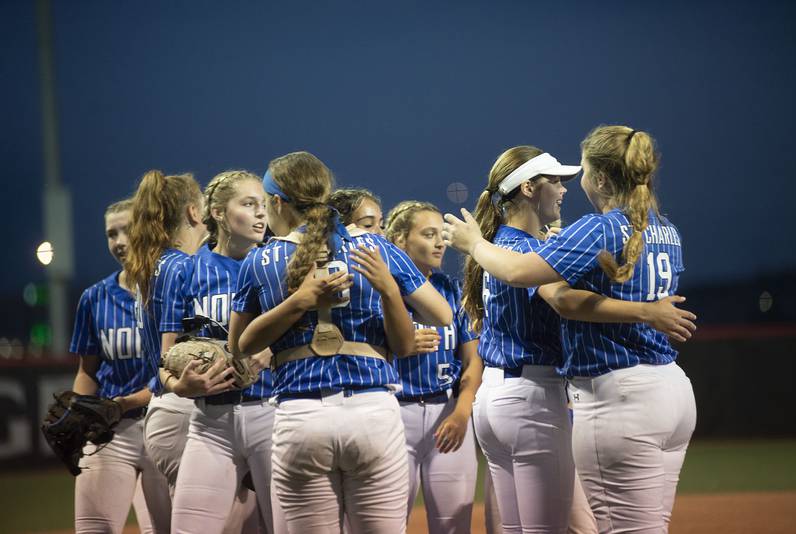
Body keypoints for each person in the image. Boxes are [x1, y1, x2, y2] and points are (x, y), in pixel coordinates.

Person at [444, 128, 697, 533]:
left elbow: (532, 280)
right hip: (622, 388)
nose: (565, 187)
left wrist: (475, 243)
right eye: (555, 180)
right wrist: (646, 311)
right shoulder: (666, 229)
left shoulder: (513, 241)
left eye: (570, 176)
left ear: (599, 179)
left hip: (523, 392)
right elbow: (558, 296)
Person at [228, 150, 453, 533]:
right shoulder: (374, 248)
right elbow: (441, 315)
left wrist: (298, 303)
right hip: (372, 413)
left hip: (301, 416)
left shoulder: (261, 260)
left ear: (278, 203)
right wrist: (389, 290)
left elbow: (239, 346)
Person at [170, 170, 283, 533]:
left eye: (263, 205)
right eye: (249, 204)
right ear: (218, 212)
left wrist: (273, 351)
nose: (261, 214)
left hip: (273, 414)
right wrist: (178, 386)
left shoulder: (278, 263)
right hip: (210, 421)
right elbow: (164, 360)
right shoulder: (186, 271)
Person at [127, 170, 235, 502]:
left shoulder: (157, 263)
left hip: (167, 408)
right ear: (193, 212)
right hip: (184, 403)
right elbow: (168, 352)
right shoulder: (182, 266)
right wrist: (176, 384)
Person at [70, 199, 171, 534]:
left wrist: (124, 403)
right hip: (112, 431)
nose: (118, 241)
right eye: (111, 234)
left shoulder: (172, 289)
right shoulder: (95, 298)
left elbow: (173, 372)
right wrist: (82, 413)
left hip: (167, 425)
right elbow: (87, 372)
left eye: (127, 229)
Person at [384, 200, 482, 534]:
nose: (440, 242)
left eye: (442, 234)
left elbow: (473, 360)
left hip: (447, 413)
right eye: (429, 234)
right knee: (386, 525)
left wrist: (462, 411)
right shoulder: (379, 293)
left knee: (454, 526)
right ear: (400, 241)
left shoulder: (450, 290)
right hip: (392, 415)